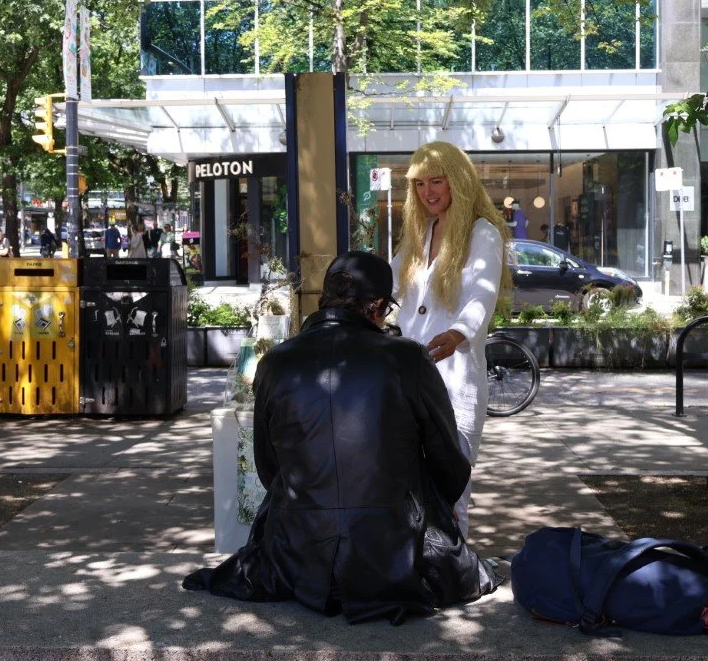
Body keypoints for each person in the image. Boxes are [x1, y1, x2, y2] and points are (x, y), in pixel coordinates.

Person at [183, 251, 497, 624]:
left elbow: (270, 467)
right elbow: (449, 461)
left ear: (325, 298)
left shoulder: (276, 363)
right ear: (378, 306)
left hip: (297, 553)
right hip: (394, 552)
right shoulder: (408, 357)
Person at [391, 141, 511, 539]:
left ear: (456, 180)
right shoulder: (419, 233)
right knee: (407, 482)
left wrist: (460, 332)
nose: (428, 192)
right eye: (420, 184)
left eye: (437, 181)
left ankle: (456, 566)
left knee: (451, 483)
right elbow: (389, 288)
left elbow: (483, 294)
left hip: (455, 378)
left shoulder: (483, 234)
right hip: (410, 377)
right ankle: (418, 566)